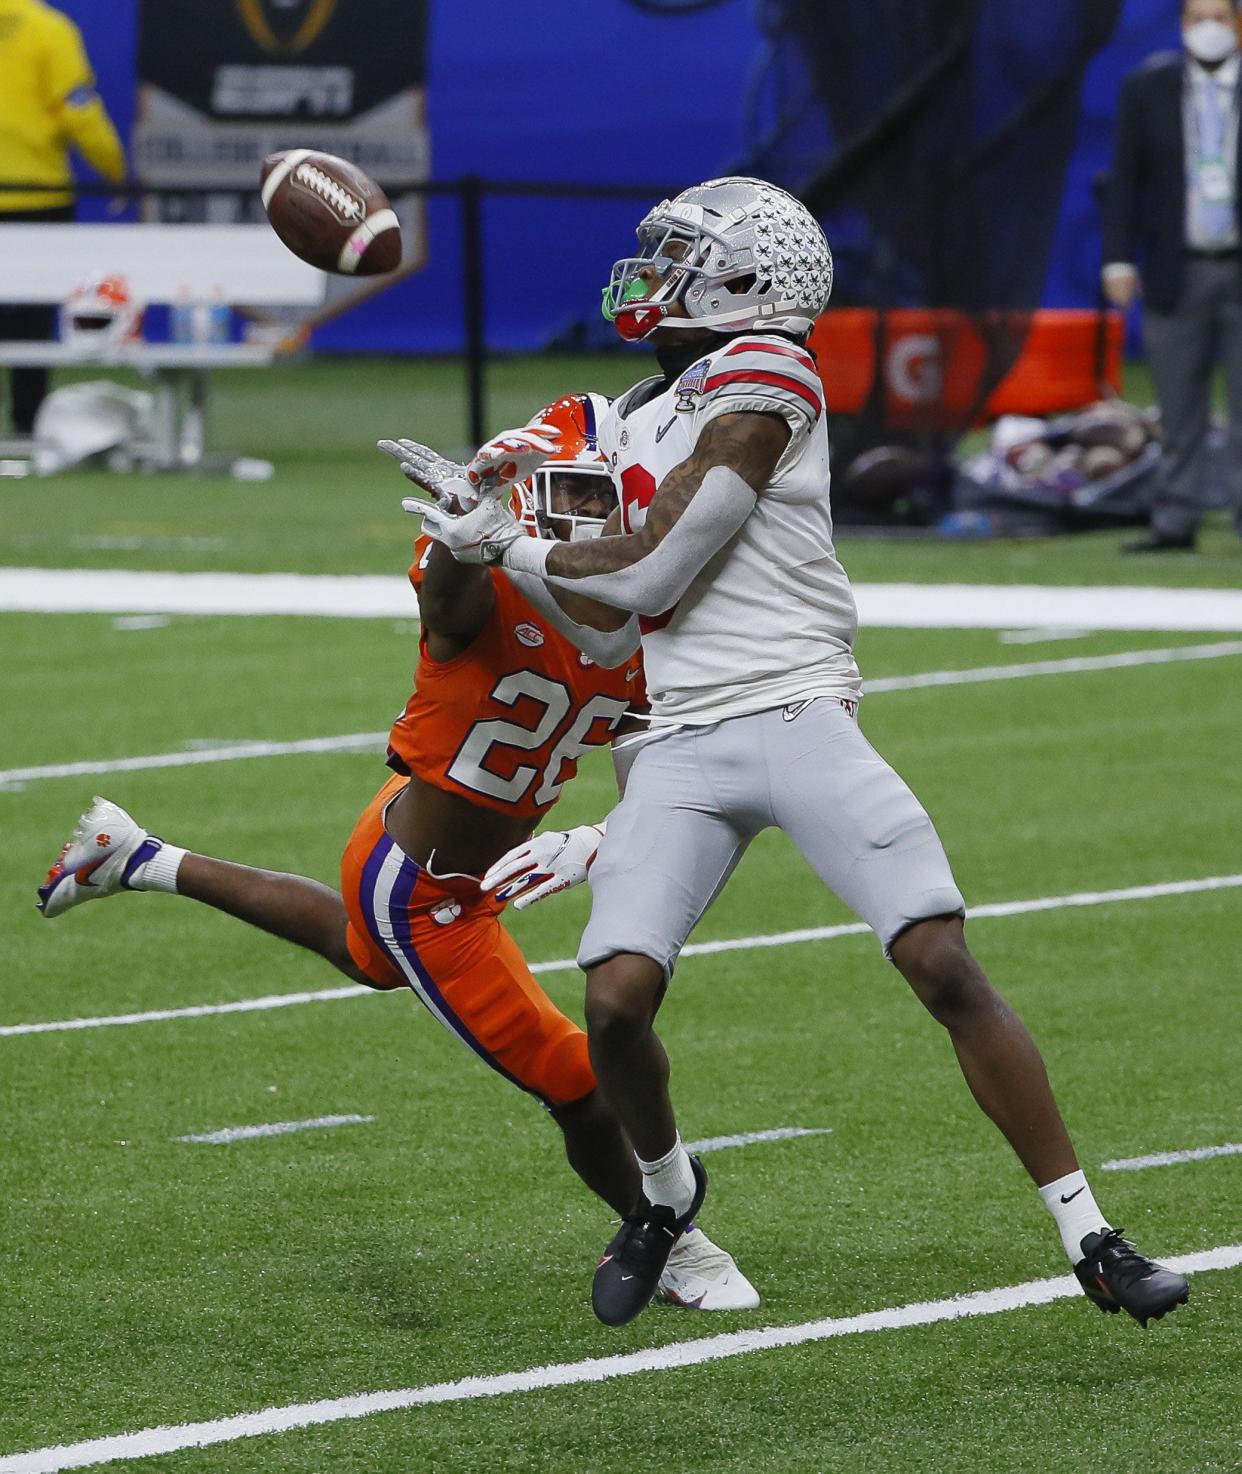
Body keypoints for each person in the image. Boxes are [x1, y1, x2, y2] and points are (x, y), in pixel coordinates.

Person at [419, 177, 1192, 1330]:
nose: (651, 273)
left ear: (745, 281)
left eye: (679, 256)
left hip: (793, 711)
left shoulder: (767, 375)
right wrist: (476, 547)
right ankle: (667, 1199)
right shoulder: (635, 409)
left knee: (939, 959)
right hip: (677, 737)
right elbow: (608, 624)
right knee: (617, 1002)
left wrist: (513, 541)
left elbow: (649, 572)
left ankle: (1093, 1236)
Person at [36, 393, 758, 1314]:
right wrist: (464, 534)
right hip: (425, 889)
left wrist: (602, 837)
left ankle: (136, 855)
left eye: (602, 505)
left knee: (363, 958)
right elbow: (446, 603)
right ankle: (679, 1244)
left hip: (423, 845)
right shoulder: (489, 586)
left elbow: (669, 768)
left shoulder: (649, 624)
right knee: (579, 1084)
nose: (586, 522)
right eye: (567, 502)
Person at [1103, 0, 1242, 552]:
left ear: (1239, 25)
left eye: (1220, 17)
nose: (1208, 29)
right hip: (1174, 265)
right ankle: (1175, 515)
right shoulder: (1149, 87)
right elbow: (1125, 180)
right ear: (1183, 26)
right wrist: (1118, 258)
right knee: (1177, 403)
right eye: (1197, 17)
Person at [0, 0, 126, 435]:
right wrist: (112, 167)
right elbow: (79, 110)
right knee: (31, 322)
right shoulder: (49, 30)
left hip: (36, 196)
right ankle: (27, 423)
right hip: (38, 197)